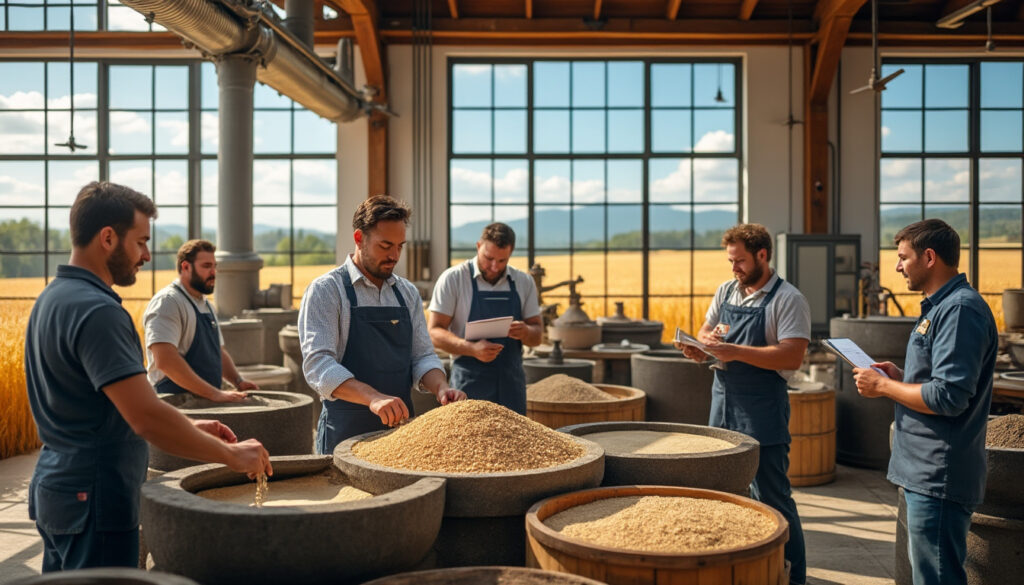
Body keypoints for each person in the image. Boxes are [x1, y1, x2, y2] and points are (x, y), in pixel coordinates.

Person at [24, 181, 272, 573]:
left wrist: (193, 424)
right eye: (140, 242)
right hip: (97, 496)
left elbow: (112, 406)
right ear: (108, 238)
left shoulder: (53, 298)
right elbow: (146, 418)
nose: (145, 254)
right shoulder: (99, 311)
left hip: (60, 488)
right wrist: (231, 456)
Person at [854, 219, 995, 585]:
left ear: (929, 257)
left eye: (903, 258)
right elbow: (939, 381)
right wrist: (901, 378)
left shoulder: (960, 310)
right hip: (924, 471)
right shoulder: (941, 306)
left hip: (939, 475)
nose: (898, 267)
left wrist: (883, 388)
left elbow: (948, 397)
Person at [675, 223, 810, 585]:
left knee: (773, 496)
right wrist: (701, 347)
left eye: (739, 261)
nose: (733, 268)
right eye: (730, 260)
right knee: (727, 491)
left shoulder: (788, 299)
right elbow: (707, 331)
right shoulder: (726, 291)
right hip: (723, 405)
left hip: (763, 409)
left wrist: (733, 350)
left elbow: (792, 355)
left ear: (763, 256)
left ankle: (794, 576)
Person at [298, 195, 466, 455]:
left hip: (400, 432)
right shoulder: (327, 290)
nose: (394, 256)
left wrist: (441, 387)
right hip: (345, 432)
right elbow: (318, 365)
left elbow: (422, 355)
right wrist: (373, 398)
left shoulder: (406, 292)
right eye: (385, 245)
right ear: (358, 239)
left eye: (400, 246)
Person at [428, 223, 542, 414]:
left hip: (512, 386)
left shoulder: (524, 282)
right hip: (468, 385)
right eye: (488, 258)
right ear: (478, 246)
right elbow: (434, 332)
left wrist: (526, 332)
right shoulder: (453, 279)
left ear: (511, 253)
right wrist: (471, 349)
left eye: (502, 260)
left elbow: (537, 336)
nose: (494, 266)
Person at [143, 239, 255, 402]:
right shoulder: (168, 302)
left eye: (215, 266)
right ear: (186, 267)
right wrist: (215, 394)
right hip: (174, 406)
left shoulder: (206, 305)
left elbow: (218, 353)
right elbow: (165, 360)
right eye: (206, 266)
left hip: (202, 404)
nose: (214, 272)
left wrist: (239, 382)